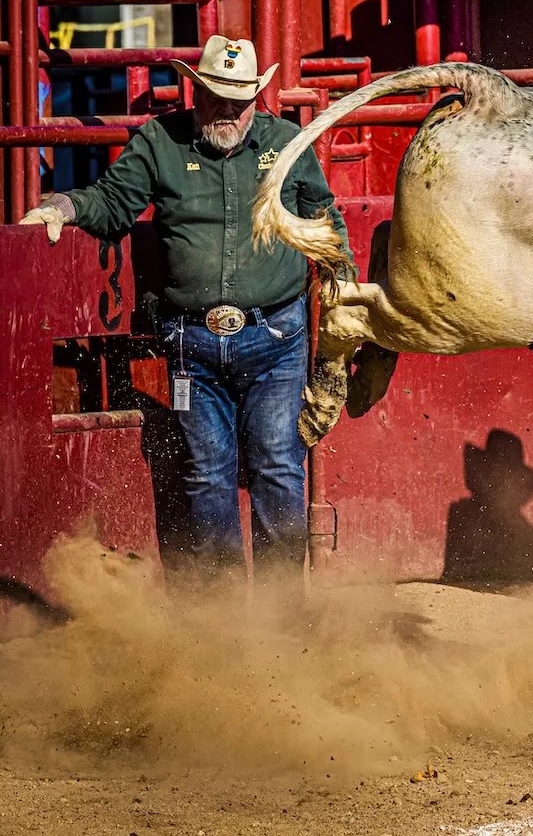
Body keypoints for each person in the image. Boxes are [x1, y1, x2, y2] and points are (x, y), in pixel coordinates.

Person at [21, 34, 352, 588]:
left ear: (255, 98)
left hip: (275, 337)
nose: (228, 109)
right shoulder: (160, 141)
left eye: (239, 98)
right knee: (207, 474)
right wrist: (66, 203)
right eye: (217, 95)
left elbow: (324, 218)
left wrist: (345, 298)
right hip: (189, 345)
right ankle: (224, 611)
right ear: (196, 90)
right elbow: (114, 201)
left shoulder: (288, 143)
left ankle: (281, 609)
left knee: (277, 467)